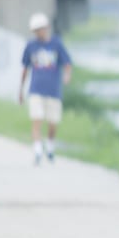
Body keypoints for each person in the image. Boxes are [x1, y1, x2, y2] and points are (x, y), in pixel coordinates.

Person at [19, 12, 73, 166]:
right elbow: (25, 69)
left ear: (47, 28)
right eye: (36, 30)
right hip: (35, 89)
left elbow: (67, 63)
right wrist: (21, 90)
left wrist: (67, 76)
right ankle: (37, 150)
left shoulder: (56, 44)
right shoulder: (31, 46)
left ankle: (49, 145)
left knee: (52, 122)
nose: (38, 32)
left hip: (53, 90)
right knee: (37, 119)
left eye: (40, 29)